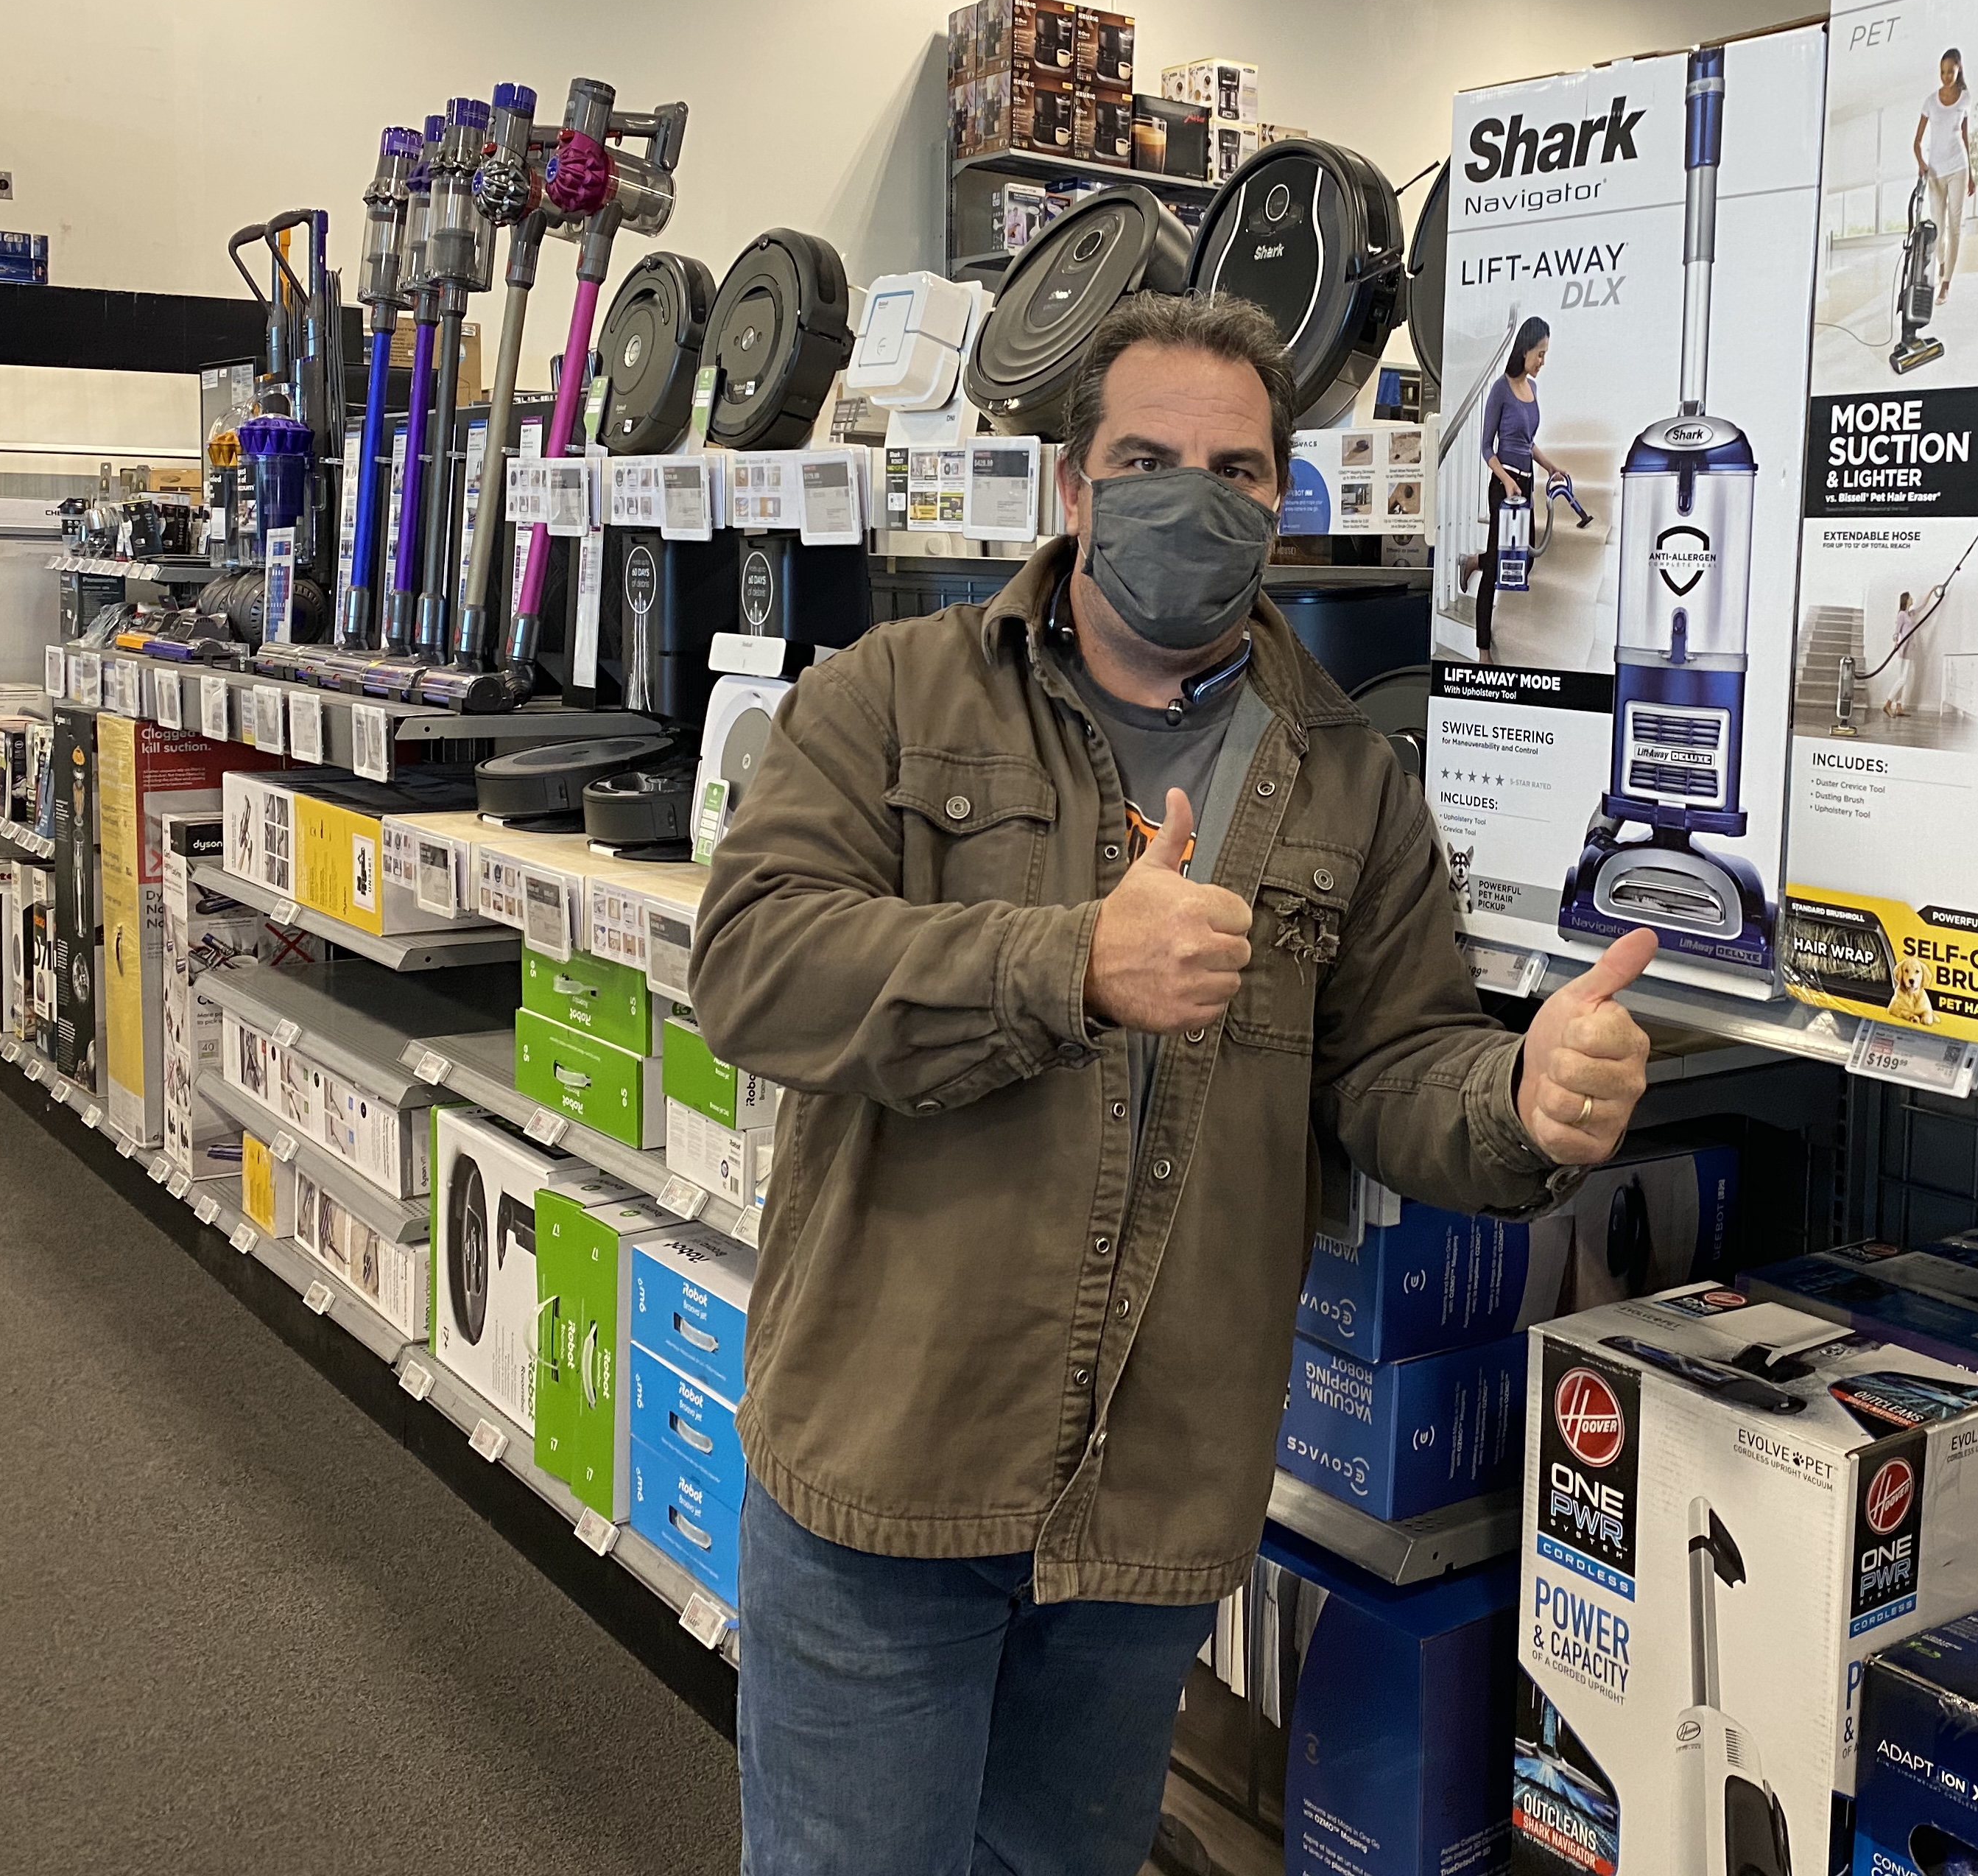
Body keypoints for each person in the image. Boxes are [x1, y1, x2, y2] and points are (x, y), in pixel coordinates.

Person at [691, 289, 1662, 1876]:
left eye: (1235, 470)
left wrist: (1519, 1099)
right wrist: (1070, 961)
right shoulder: (891, 695)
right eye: (1147, 461)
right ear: (1074, 486)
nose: (1190, 500)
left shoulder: (1349, 778)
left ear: (1280, 500)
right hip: (889, 1473)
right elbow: (754, 963)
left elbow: (1392, 1067)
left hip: (1145, 1512)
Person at [1463, 317, 1575, 660]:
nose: (1543, 361)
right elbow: (1487, 448)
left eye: (1545, 354)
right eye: (1540, 354)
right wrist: (1507, 480)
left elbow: (1528, 442)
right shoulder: (1500, 390)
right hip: (1504, 485)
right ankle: (1483, 650)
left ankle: (1474, 561)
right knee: (1495, 569)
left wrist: (1550, 466)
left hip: (1525, 483)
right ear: (1524, 350)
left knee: (1524, 560)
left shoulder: (1533, 389)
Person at [1912, 49, 1976, 305]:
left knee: (1955, 225)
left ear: (1959, 69)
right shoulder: (1930, 102)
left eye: (1951, 71)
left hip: (1959, 167)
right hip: (1936, 172)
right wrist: (1922, 164)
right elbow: (1917, 142)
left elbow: (1965, 137)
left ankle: (1946, 283)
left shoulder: (1965, 98)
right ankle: (1941, 262)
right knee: (1938, 226)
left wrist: (1972, 174)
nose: (1946, 76)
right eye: (1942, 72)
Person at [1882, 586, 1934, 717]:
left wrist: (1932, 591)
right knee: (1902, 679)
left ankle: (1899, 707)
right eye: (1910, 598)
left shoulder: (1910, 614)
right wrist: (1896, 642)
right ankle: (1888, 704)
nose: (1912, 599)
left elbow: (1923, 606)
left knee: (1903, 678)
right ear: (1906, 600)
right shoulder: (1902, 615)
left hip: (1910, 648)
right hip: (1904, 648)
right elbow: (1897, 631)